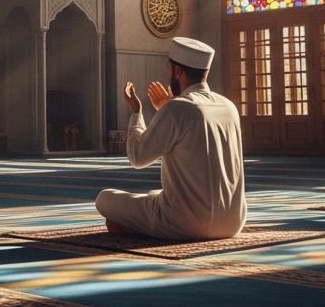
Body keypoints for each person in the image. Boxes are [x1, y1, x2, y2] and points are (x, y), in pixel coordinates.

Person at [94, 37, 246, 240]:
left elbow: (138, 157)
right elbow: (192, 129)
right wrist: (167, 108)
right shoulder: (228, 106)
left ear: (178, 72)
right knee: (152, 194)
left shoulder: (176, 109)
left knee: (104, 199)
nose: (168, 75)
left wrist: (136, 112)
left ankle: (138, 224)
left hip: (186, 224)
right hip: (233, 223)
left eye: (169, 70)